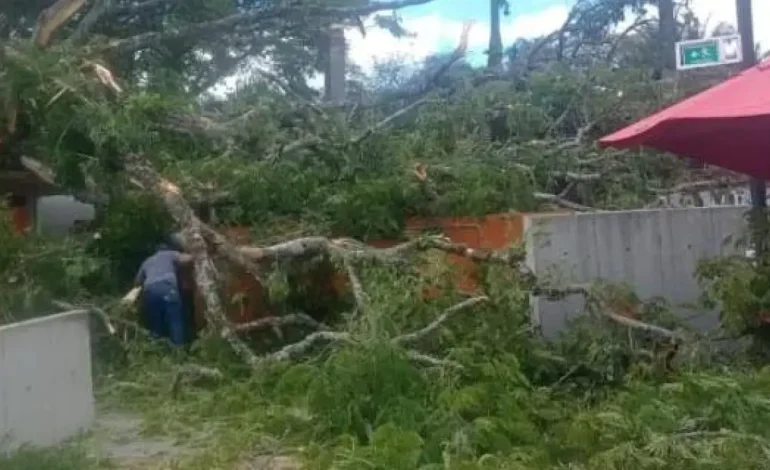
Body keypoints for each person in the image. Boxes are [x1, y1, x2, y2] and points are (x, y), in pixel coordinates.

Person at [132, 243, 193, 346]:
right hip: (167, 287)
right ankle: (179, 349)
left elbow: (137, 282)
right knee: (174, 319)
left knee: (155, 322)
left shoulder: (147, 261)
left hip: (150, 290)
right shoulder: (169, 254)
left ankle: (156, 348)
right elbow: (187, 259)